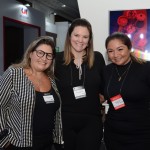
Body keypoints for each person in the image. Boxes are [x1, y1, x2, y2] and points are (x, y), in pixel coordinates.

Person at [0, 36, 63, 150]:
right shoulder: (13, 74)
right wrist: (4, 140)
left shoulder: (52, 79)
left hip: (47, 144)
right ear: (30, 53)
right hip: (19, 144)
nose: (44, 58)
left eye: (49, 55)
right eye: (40, 53)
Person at [54, 18, 105, 150]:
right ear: (69, 36)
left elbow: (105, 87)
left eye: (85, 36)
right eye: (76, 35)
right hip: (63, 121)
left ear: (89, 40)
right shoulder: (57, 60)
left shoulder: (97, 58)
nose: (80, 40)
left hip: (91, 121)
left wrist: (102, 96)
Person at [103, 32, 150, 150]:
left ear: (129, 48)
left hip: (141, 135)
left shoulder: (145, 68)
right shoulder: (107, 71)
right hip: (113, 134)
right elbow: (102, 95)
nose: (115, 55)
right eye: (110, 51)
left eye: (120, 49)